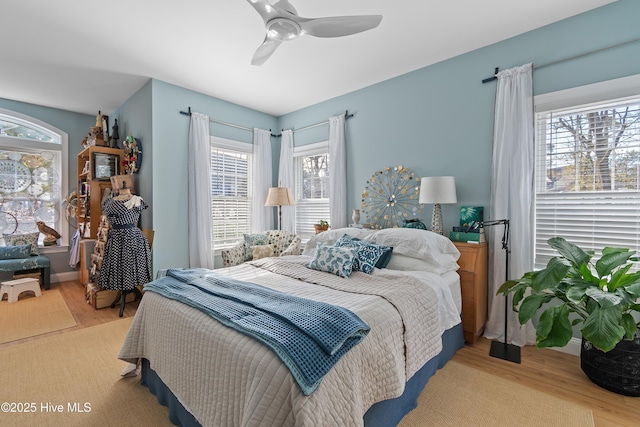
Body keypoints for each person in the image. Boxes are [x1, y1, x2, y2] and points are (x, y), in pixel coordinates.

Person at [97, 182, 151, 294]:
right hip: (116, 238)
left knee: (132, 265)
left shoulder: (137, 201)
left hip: (133, 238)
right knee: (118, 266)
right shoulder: (109, 202)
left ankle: (130, 288)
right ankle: (124, 289)